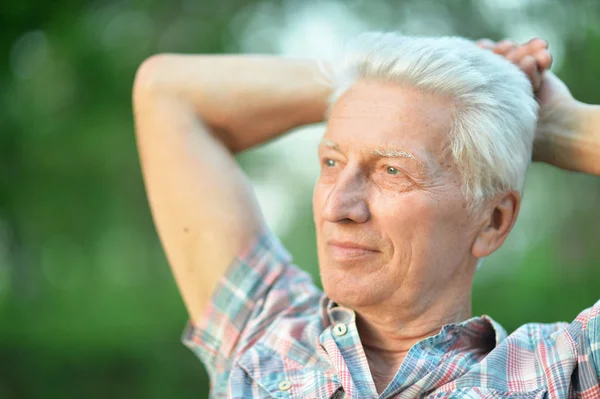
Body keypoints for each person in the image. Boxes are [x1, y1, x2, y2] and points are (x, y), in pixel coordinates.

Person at [132, 32, 600, 398]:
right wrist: (368, 83)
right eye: (332, 162)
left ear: (493, 221)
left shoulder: (564, 373)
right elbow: (166, 92)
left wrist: (563, 129)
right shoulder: (264, 333)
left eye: (392, 170)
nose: (338, 206)